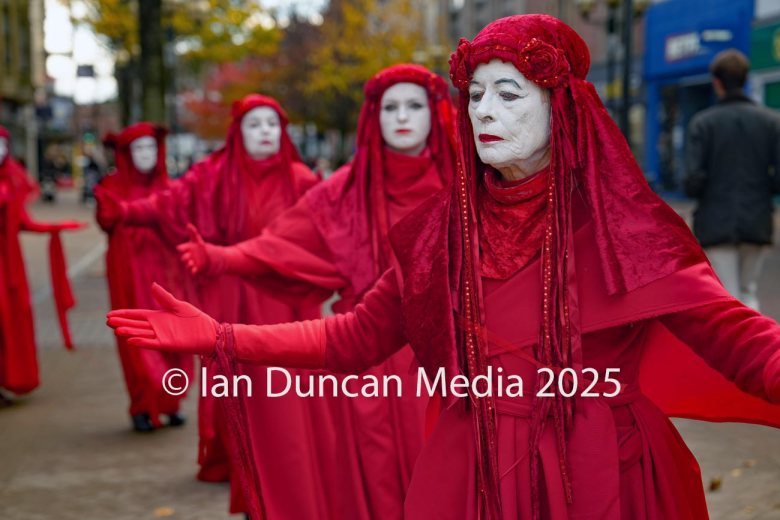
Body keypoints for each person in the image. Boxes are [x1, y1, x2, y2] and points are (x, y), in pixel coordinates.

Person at [109, 15, 780, 519]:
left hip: (599, 474)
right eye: (476, 94)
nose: (484, 110)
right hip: (473, 475)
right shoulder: (444, 234)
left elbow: (739, 340)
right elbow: (353, 337)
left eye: (509, 94)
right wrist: (222, 337)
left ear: (563, 106)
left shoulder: (622, 231)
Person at [177, 64, 458, 518]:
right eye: (390, 108)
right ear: (374, 117)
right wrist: (219, 258)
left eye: (414, 105)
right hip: (370, 359)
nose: (402, 117)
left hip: (450, 358)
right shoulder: (345, 192)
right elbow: (284, 245)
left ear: (436, 112)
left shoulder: (469, 183)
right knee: (377, 484)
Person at [96, 95, 320, 516]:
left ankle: (288, 474)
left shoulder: (302, 179)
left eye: (273, 123)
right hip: (231, 296)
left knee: (286, 395)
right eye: (254, 124)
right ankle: (245, 472)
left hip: (285, 301)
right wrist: (125, 211)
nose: (265, 132)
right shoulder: (214, 174)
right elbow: (170, 202)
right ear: (238, 133)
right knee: (240, 388)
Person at [96, 123, 195, 432]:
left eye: (151, 147)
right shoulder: (111, 187)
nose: (146, 154)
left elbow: (182, 226)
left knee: (173, 336)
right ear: (126, 154)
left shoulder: (170, 187)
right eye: (139, 148)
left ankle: (171, 403)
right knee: (137, 337)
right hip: (130, 274)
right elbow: (106, 218)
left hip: (167, 275)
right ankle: (142, 404)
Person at [685, 49, 780, 311]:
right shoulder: (771, 122)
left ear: (717, 82)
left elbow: (692, 181)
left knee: (726, 295)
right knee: (749, 291)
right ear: (745, 79)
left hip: (715, 222)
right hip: (757, 219)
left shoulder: (703, 123)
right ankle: (758, 336)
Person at [0, 125, 82, 404]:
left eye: (2, 145)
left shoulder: (11, 180)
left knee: (10, 319)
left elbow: (22, 221)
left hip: (9, 264)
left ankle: (7, 377)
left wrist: (55, 228)